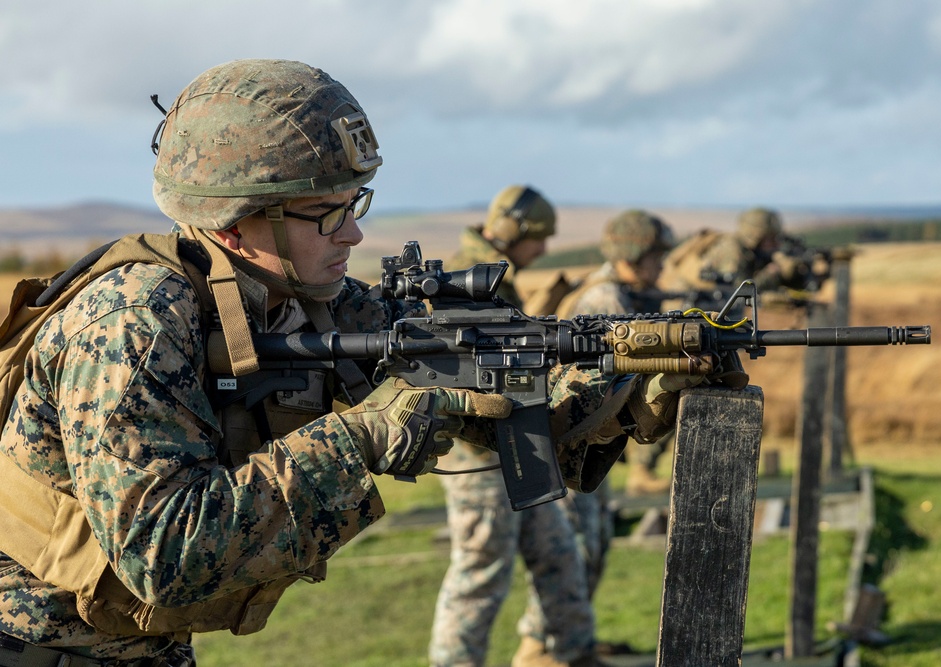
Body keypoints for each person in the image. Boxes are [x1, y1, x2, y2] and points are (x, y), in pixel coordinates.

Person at [0, 60, 682, 666]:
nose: (353, 232)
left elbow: (482, 394)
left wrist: (619, 384)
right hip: (36, 643)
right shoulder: (132, 322)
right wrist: (362, 435)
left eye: (355, 204)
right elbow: (165, 552)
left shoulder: (312, 302)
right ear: (237, 220)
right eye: (325, 213)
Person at [429, 185, 603, 667]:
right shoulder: (468, 277)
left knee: (559, 555)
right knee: (480, 573)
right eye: (540, 237)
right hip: (480, 455)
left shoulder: (490, 276)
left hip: (514, 448)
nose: (545, 249)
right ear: (512, 231)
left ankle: (571, 652)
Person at [554, 210, 676, 550]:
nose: (662, 266)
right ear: (634, 256)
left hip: (582, 431)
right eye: (656, 257)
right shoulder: (606, 299)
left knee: (588, 553)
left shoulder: (610, 290)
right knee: (580, 554)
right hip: (574, 435)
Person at [658, 207, 813, 311]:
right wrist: (772, 274)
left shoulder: (748, 250)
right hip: (683, 304)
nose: (775, 244)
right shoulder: (732, 251)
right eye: (770, 239)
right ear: (755, 236)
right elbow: (736, 293)